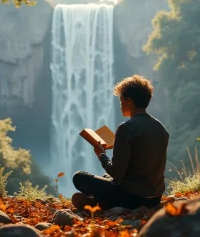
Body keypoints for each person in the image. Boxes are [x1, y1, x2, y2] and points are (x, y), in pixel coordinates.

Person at [72, 75, 169, 210]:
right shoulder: (160, 127)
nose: (120, 104)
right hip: (154, 197)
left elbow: (117, 173)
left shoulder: (125, 128)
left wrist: (101, 154)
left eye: (121, 100)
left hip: (131, 197)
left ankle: (98, 203)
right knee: (106, 177)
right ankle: (97, 202)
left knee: (79, 177)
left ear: (129, 101)